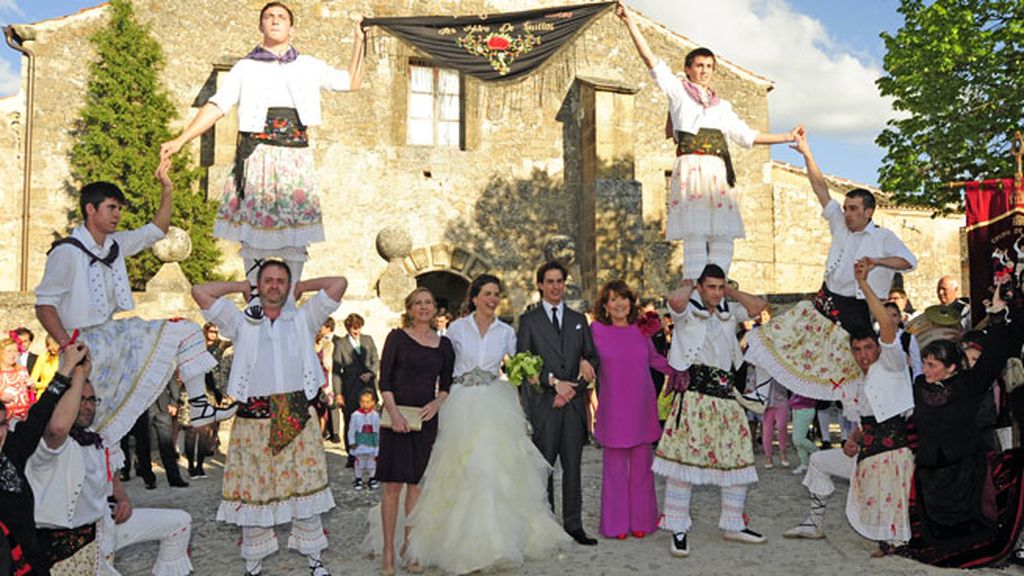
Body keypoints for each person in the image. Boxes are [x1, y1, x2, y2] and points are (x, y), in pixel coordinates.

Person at [161, 2, 366, 316]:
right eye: (269, 17)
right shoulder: (245, 67)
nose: (275, 20)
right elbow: (217, 106)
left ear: (291, 28)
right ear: (260, 26)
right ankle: (256, 298)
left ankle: (291, 300)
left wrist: (359, 40)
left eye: (281, 17)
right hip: (258, 155)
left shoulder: (308, 65)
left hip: (295, 157)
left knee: (295, 238)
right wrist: (181, 139)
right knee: (254, 233)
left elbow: (351, 81)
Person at [34, 164, 233, 446]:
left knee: (186, 331)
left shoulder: (115, 243)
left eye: (119, 209)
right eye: (112, 208)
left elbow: (157, 230)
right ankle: (84, 479)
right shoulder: (67, 252)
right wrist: (67, 346)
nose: (118, 214)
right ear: (91, 209)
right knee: (92, 421)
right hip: (82, 342)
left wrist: (167, 189)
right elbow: (44, 306)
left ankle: (200, 405)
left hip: (113, 335)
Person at [615, 3, 803, 279]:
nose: (704, 71)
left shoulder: (722, 106)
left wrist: (787, 136)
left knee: (723, 233)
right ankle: (694, 288)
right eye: (700, 66)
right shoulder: (677, 91)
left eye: (709, 67)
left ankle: (719, 285)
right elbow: (650, 60)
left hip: (717, 171)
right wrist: (630, 22)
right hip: (692, 166)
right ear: (688, 69)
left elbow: (746, 135)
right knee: (696, 232)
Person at [404, 274, 570, 574]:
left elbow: (517, 364)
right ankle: (443, 541)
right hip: (461, 402)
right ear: (475, 297)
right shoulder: (456, 328)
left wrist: (531, 373)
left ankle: (494, 542)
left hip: (495, 403)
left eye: (497, 293)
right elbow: (442, 364)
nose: (493, 299)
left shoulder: (505, 331)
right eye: (487, 293)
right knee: (457, 468)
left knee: (492, 469)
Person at [193, 263, 347, 576]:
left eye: (280, 281)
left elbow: (339, 283)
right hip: (252, 418)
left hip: (295, 413)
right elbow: (200, 292)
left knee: (305, 487)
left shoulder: (305, 318)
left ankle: (314, 560)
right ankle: (253, 562)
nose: (274, 286)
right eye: (268, 281)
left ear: (288, 286)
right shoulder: (240, 322)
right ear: (259, 286)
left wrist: (303, 287)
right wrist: (239, 286)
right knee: (254, 491)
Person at [745, 135, 916, 402]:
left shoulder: (882, 238)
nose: (846, 213)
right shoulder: (839, 223)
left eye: (853, 209)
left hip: (854, 311)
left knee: (859, 366)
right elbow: (820, 188)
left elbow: (909, 261)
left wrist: (878, 261)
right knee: (776, 336)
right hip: (824, 300)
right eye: (846, 208)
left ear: (868, 212)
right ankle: (759, 394)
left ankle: (877, 414)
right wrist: (806, 153)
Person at [784, 260, 916, 556]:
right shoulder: (855, 381)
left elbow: (886, 324)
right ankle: (814, 523)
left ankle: (892, 541)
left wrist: (864, 284)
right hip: (866, 454)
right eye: (857, 350)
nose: (863, 355)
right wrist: (852, 441)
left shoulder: (892, 364)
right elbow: (861, 423)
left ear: (879, 347)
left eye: (868, 348)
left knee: (888, 511)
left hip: (894, 456)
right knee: (818, 461)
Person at [25, 359, 193, 575]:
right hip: (66, 547)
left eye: (91, 400)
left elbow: (108, 472)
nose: (87, 405)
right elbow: (58, 428)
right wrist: (77, 373)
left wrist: (122, 500)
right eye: (80, 399)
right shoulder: (45, 441)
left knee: (179, 522)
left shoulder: (98, 439)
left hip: (103, 528)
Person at [900, 277, 1024, 567]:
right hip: (931, 474)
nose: (926, 369)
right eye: (926, 363)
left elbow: (994, 352)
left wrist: (998, 313)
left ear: (952, 367)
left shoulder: (969, 387)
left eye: (933, 365)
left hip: (965, 472)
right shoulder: (920, 386)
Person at [654, 264, 768, 557]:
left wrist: (729, 291)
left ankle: (734, 523)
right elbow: (675, 302)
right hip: (694, 395)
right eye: (711, 287)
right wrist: (691, 285)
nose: (716, 293)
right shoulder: (687, 311)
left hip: (726, 396)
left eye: (720, 287)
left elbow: (758, 307)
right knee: (683, 464)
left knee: (739, 457)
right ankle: (678, 527)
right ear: (701, 287)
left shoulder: (730, 309)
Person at [517, 260, 600, 546]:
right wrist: (553, 384)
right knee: (545, 468)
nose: (555, 286)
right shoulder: (528, 321)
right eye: (549, 281)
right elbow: (524, 364)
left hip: (573, 405)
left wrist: (573, 388)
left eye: (559, 281)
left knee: (574, 467)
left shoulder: (579, 320)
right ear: (540, 285)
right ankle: (545, 525)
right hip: (545, 405)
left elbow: (592, 359)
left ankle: (574, 525)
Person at [375, 287, 454, 576]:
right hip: (397, 418)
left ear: (435, 309)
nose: (423, 307)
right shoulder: (396, 338)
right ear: (409, 309)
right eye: (418, 303)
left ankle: (410, 548)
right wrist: (395, 415)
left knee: (416, 488)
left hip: (425, 420)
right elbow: (385, 381)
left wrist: (438, 402)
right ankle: (387, 551)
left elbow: (447, 383)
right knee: (392, 487)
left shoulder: (444, 345)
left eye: (429, 303)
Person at [591, 280, 672, 540]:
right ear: (605, 306)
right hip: (614, 408)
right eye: (613, 299)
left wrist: (681, 369)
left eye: (623, 298)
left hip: (641, 405)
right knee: (614, 470)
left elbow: (655, 360)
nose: (619, 303)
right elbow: (584, 358)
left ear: (630, 302)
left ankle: (643, 521)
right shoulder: (596, 331)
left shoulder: (641, 331)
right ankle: (615, 525)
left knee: (641, 468)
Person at [0, 342, 89, 575]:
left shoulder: (10, 451)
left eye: (1, 424)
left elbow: (40, 415)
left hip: (31, 565)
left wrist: (68, 367)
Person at [332, 313, 380, 462]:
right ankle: (352, 455)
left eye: (358, 329)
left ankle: (372, 452)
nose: (356, 332)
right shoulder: (340, 344)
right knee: (351, 421)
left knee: (372, 421)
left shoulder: (368, 340)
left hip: (368, 388)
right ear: (348, 328)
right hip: (350, 388)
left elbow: (376, 359)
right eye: (354, 329)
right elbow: (336, 371)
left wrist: (371, 373)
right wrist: (338, 393)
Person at [150, 373, 190, 488]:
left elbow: (172, 382)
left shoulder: (163, 359)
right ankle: (147, 476)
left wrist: (174, 402)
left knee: (167, 444)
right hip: (144, 407)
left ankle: (174, 478)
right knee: (143, 442)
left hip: (163, 407)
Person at [347, 389, 379, 491]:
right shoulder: (355, 415)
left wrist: (378, 443)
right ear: (359, 402)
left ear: (373, 402)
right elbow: (351, 429)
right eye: (363, 402)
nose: (365, 404)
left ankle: (372, 478)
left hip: (372, 440)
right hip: (360, 440)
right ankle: (358, 478)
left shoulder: (375, 415)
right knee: (359, 461)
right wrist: (352, 442)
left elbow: (378, 430)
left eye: (368, 402)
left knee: (371, 461)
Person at [0, 337, 33, 423]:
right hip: (4, 420)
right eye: (9, 351)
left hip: (23, 419)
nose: (13, 354)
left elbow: (29, 393)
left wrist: (31, 387)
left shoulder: (22, 370)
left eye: (15, 351)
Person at [314, 318, 336, 441]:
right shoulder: (309, 345)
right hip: (311, 380)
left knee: (322, 408)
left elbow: (329, 366)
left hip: (323, 380)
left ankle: (321, 434)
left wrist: (330, 387)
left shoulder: (328, 345)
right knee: (313, 408)